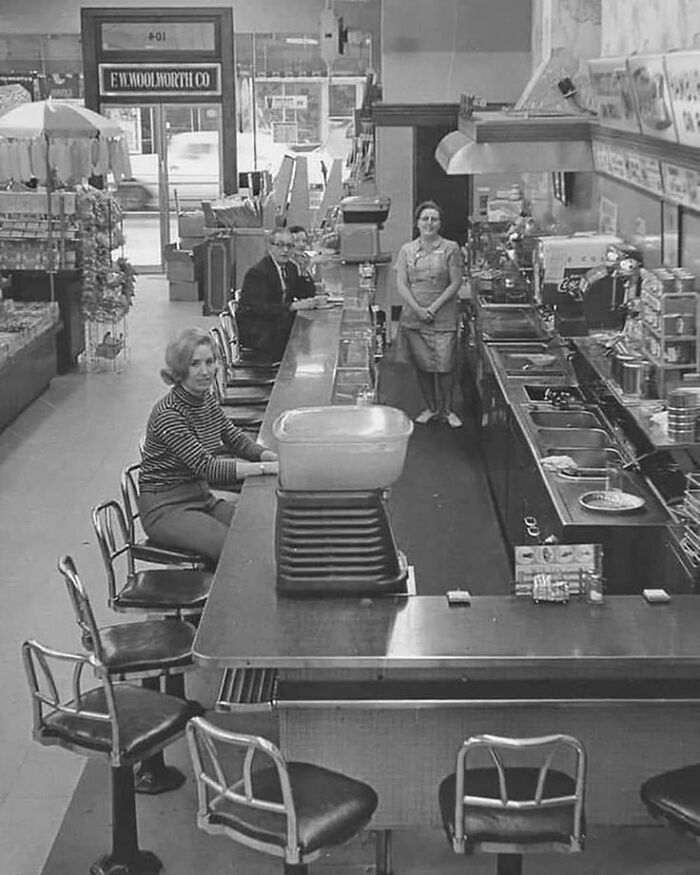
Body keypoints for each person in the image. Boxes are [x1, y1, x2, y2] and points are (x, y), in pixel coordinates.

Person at [138, 328, 278, 565]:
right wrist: (266, 468)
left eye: (210, 361)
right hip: (166, 508)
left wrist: (271, 455)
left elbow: (234, 439)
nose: (205, 371)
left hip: (200, 497)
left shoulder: (205, 400)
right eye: (195, 364)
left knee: (256, 530)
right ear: (180, 370)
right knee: (232, 549)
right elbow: (207, 468)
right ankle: (223, 599)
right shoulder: (169, 414)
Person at [394, 200, 464, 428]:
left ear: (440, 223)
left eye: (434, 219)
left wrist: (433, 308)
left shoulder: (451, 248)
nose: (429, 223)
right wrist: (418, 309)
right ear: (417, 223)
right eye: (425, 219)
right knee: (422, 365)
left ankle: (446, 409)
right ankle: (431, 408)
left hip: (443, 315)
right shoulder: (407, 250)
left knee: (445, 365)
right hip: (414, 316)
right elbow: (401, 284)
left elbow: (455, 283)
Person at [236, 226, 317, 362]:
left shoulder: (290, 267)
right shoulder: (258, 273)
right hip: (259, 331)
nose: (285, 250)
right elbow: (259, 309)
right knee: (301, 342)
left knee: (308, 335)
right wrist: (292, 306)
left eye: (289, 246)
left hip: (279, 324)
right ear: (270, 247)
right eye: (280, 245)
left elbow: (305, 295)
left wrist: (304, 271)